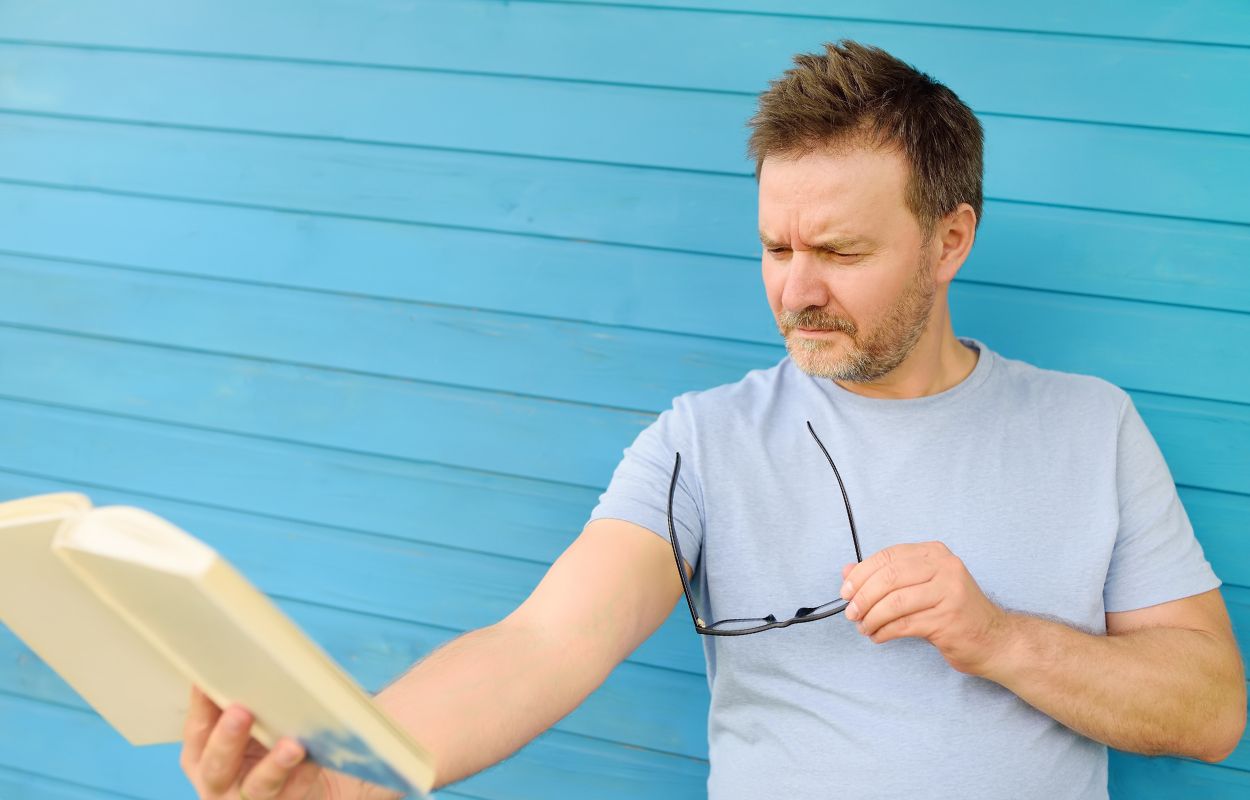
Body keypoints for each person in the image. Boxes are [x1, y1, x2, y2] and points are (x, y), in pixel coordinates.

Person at [178, 39, 1245, 800]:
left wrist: (997, 635)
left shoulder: (1088, 427)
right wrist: (353, 773)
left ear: (948, 239)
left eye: (838, 252)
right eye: (776, 249)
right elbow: (538, 645)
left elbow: (1207, 711)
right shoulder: (701, 440)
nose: (795, 291)